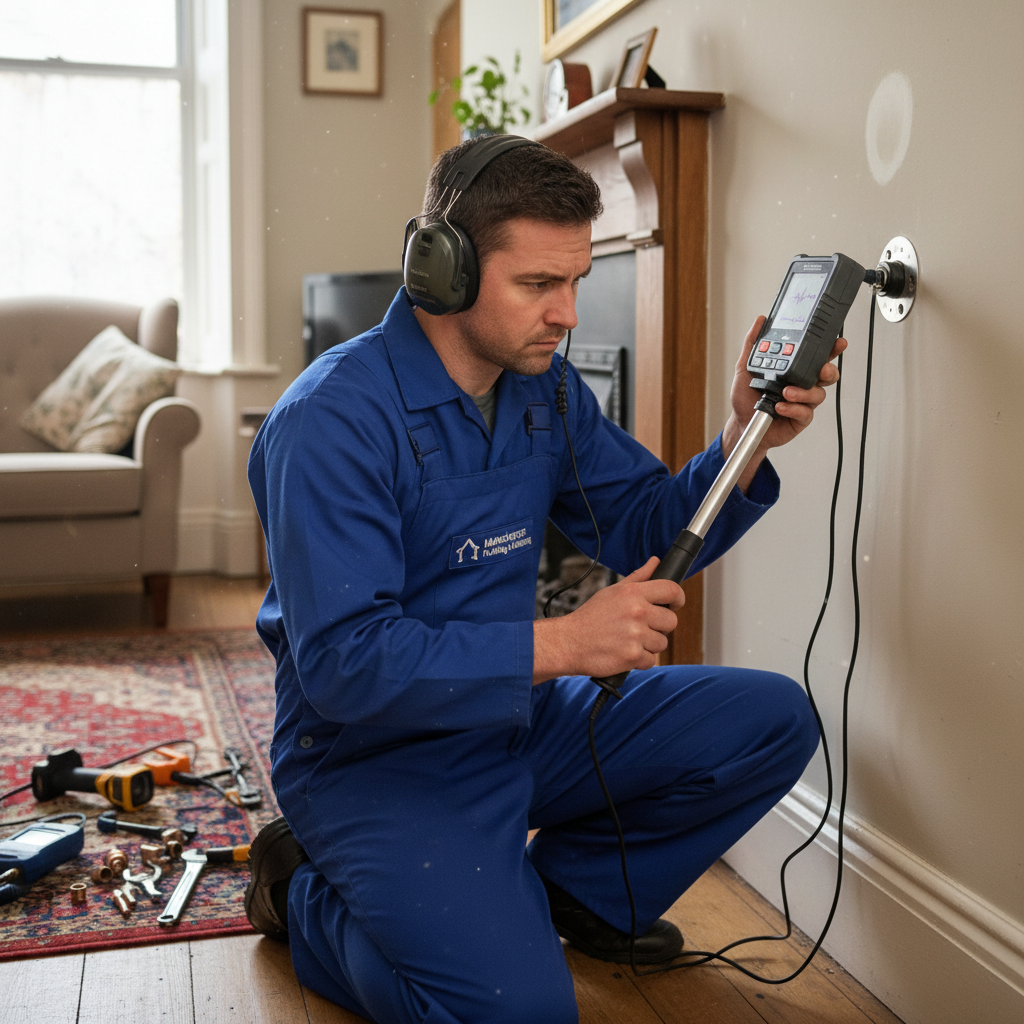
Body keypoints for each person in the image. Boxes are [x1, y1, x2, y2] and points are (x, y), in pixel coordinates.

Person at [245, 137, 843, 1024]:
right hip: (376, 758)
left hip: (517, 719)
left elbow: (643, 521)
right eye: (538, 284)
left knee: (771, 721)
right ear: (442, 267)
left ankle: (583, 894)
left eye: (576, 281)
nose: (567, 313)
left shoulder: (547, 393)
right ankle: (303, 894)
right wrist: (567, 642)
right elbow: (345, 665)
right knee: (518, 1014)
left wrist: (743, 439)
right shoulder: (330, 422)